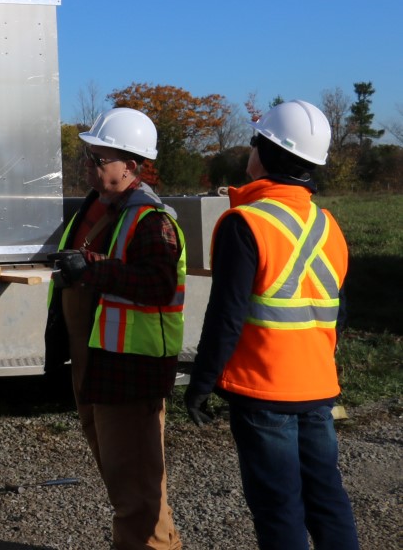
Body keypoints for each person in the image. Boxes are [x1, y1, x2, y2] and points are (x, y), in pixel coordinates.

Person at [184, 100, 359, 550]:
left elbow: (226, 313)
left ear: (268, 152)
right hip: (318, 387)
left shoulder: (246, 222)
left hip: (264, 391)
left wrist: (202, 380)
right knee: (327, 499)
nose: (250, 149)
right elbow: (336, 312)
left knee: (278, 506)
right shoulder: (328, 225)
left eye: (255, 141)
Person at [49, 107, 186, 550]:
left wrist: (95, 269)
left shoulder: (152, 221)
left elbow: (159, 285)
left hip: (130, 372)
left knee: (136, 494)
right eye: (89, 155)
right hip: (96, 366)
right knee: (127, 481)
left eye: (98, 157)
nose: (88, 164)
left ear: (130, 166)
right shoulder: (96, 209)